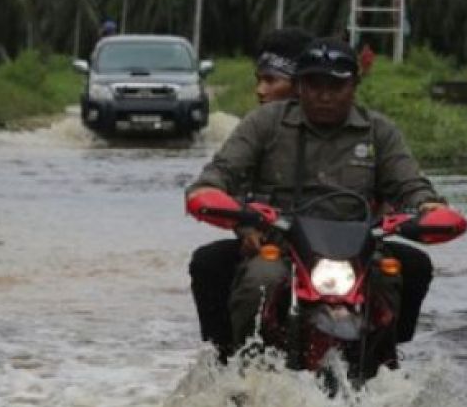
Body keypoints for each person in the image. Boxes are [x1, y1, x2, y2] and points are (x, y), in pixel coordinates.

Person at [187, 37, 444, 353]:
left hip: (358, 252)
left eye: (336, 87)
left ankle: (384, 364)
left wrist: (428, 206)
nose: (324, 96)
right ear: (298, 87)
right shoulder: (266, 122)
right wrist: (213, 196)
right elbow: (221, 173)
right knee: (260, 281)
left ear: (354, 86)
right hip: (279, 246)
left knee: (395, 275)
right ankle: (244, 365)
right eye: (313, 85)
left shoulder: (379, 131)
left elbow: (410, 184)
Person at [187, 27, 314, 360]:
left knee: (409, 267)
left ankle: (383, 356)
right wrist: (244, 225)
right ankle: (228, 356)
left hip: (341, 250)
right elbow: (222, 179)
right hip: (273, 244)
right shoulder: (257, 127)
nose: (261, 90)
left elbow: (398, 183)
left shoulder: (363, 127)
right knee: (209, 263)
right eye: (259, 80)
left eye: (272, 81)